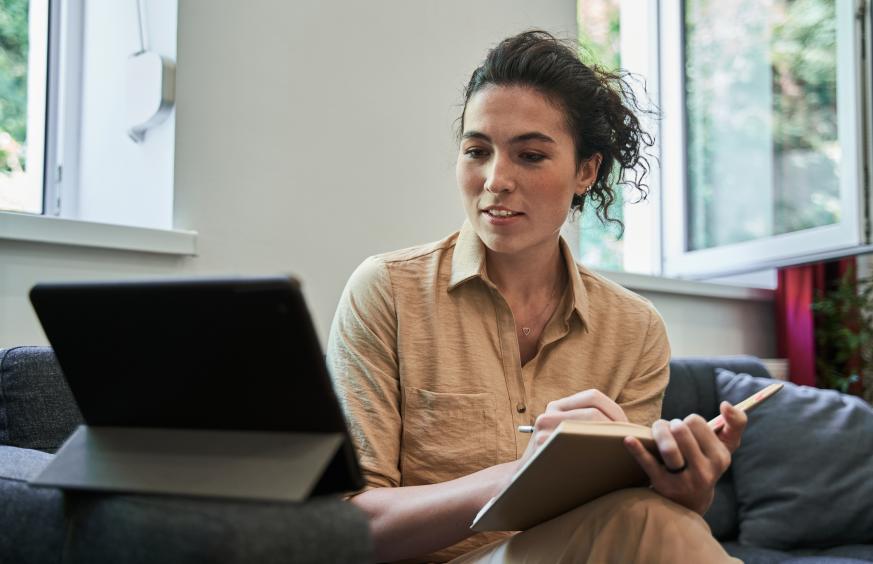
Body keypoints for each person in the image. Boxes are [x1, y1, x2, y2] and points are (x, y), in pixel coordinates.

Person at [327, 30, 747, 563]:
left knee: (649, 515)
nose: (495, 180)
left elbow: (630, 514)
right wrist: (527, 473)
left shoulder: (635, 329)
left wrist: (691, 488)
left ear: (586, 171)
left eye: (529, 155)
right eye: (477, 151)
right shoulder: (386, 290)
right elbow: (350, 526)